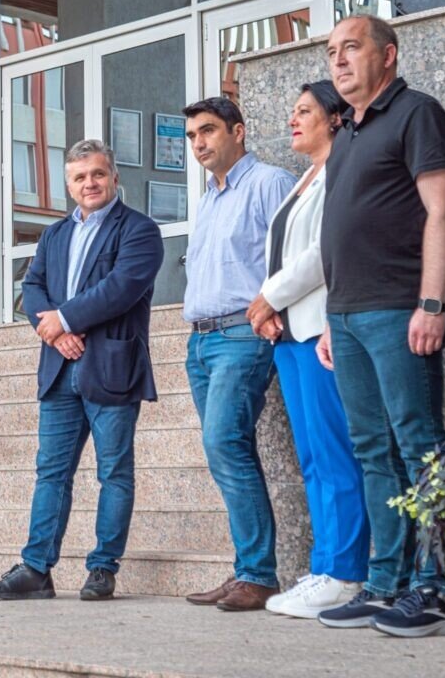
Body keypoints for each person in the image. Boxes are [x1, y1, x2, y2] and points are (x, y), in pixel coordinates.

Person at [315, 15, 445, 637]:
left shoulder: (417, 113)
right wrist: (332, 317)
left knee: (420, 447)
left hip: (400, 310)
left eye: (351, 47)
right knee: (373, 451)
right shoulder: (347, 132)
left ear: (388, 55)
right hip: (348, 315)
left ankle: (437, 591)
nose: (338, 60)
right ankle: (387, 584)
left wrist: (431, 303)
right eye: (331, 51)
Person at [0, 139, 163, 602]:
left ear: (114, 177)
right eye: (80, 177)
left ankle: (103, 568)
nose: (90, 183)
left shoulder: (139, 230)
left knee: (114, 473)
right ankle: (36, 569)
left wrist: (64, 319)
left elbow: (121, 288)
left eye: (98, 174)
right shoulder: (54, 235)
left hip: (111, 367)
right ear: (69, 185)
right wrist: (55, 333)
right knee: (51, 473)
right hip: (60, 369)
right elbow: (33, 286)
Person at [246, 80, 370, 619]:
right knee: (314, 456)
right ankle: (324, 566)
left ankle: (346, 573)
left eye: (304, 111)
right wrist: (273, 309)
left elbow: (326, 251)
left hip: (323, 331)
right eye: (292, 112)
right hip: (291, 335)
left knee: (335, 452)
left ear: (336, 118)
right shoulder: (305, 178)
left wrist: (268, 297)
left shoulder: (342, 169)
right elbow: (283, 252)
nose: (292, 120)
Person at [181, 97, 296, 612]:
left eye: (207, 131)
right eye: (191, 136)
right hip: (202, 341)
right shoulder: (208, 197)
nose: (198, 143)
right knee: (226, 449)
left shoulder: (269, 182)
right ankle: (247, 568)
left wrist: (270, 306)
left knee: (223, 441)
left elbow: (295, 254)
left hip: (241, 335)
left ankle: (258, 574)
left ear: (238, 131)